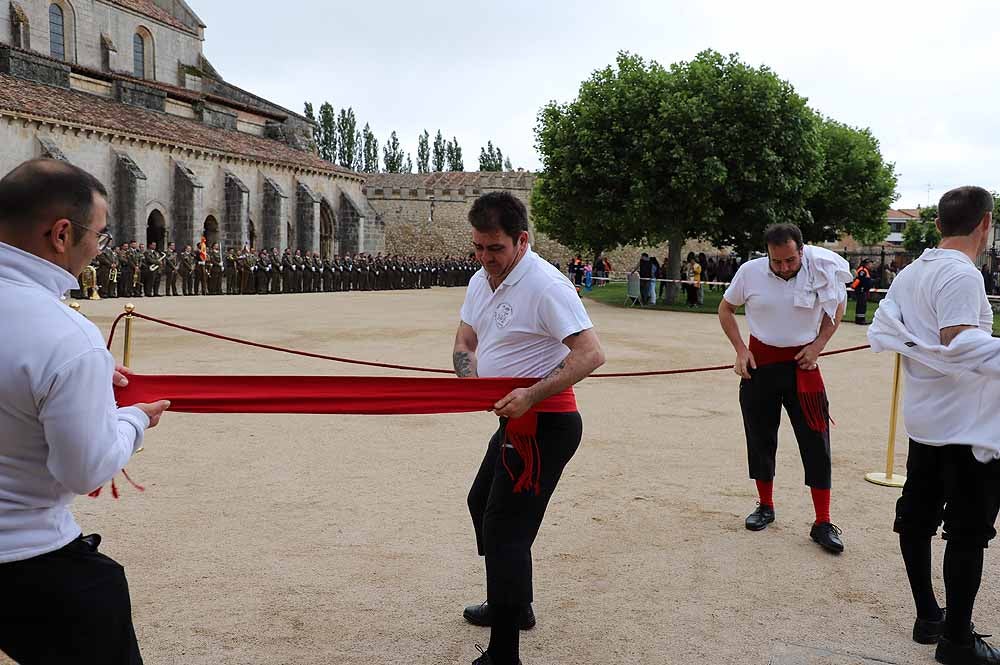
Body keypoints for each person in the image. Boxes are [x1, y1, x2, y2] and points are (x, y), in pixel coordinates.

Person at [0, 159, 170, 664]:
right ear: (61, 234)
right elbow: (84, 469)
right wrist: (133, 420)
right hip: (25, 561)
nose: (100, 247)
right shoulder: (67, 337)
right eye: (99, 234)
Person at [453, 192, 605, 665]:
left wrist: (530, 395)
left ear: (521, 241)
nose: (484, 258)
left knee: (505, 528)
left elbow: (591, 353)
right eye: (477, 247)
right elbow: (465, 340)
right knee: (482, 504)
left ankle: (504, 651)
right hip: (513, 421)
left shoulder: (545, 285)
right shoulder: (483, 279)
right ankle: (514, 604)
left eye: (493, 248)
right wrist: (471, 380)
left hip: (547, 424)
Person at [868, 186, 1000, 665]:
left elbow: (890, 330)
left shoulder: (911, 273)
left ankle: (929, 615)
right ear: (985, 223)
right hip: (967, 427)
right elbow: (961, 344)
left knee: (919, 515)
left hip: (925, 420)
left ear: (940, 224)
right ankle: (957, 640)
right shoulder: (960, 274)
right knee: (966, 532)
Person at [718, 223, 850, 554]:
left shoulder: (820, 271)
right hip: (759, 367)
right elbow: (726, 309)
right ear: (768, 255)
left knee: (816, 441)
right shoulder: (750, 272)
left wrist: (819, 345)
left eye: (790, 260)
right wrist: (740, 350)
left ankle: (822, 521)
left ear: (801, 251)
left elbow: (837, 310)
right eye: (776, 261)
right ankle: (765, 506)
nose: (784, 267)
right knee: (760, 437)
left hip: (803, 367)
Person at [852, 258, 874, 324]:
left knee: (863, 305)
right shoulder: (862, 271)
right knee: (861, 304)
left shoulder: (866, 270)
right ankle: (860, 320)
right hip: (861, 290)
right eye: (870, 264)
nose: (871, 265)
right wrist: (855, 286)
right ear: (866, 264)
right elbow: (859, 280)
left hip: (863, 290)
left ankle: (861, 318)